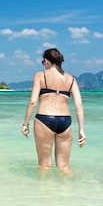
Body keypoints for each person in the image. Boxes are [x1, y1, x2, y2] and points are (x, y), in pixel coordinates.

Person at [21, 48, 86, 176]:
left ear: (47, 61)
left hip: (45, 119)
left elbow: (33, 101)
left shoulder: (40, 75)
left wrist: (25, 124)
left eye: (43, 61)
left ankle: (45, 193)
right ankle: (65, 192)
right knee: (64, 167)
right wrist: (81, 130)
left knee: (44, 165)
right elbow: (78, 104)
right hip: (65, 122)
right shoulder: (71, 79)